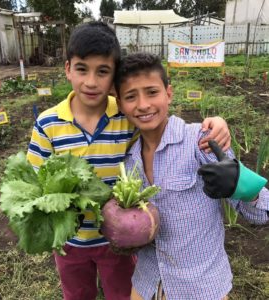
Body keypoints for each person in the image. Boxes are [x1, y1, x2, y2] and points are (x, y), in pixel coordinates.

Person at [26, 22, 232, 300]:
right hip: (70, 240)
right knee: (76, 294)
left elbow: (161, 125)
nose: (91, 81)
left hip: (120, 238)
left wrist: (216, 123)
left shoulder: (125, 116)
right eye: (82, 69)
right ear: (67, 69)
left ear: (112, 83)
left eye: (102, 72)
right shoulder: (47, 122)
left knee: (121, 293)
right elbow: (35, 181)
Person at [114, 52, 269, 300]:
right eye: (131, 97)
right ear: (121, 105)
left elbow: (261, 213)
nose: (143, 105)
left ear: (169, 93)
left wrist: (240, 184)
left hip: (201, 287)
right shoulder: (129, 158)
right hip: (146, 283)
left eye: (152, 92)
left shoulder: (201, 142)